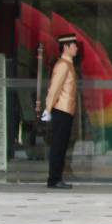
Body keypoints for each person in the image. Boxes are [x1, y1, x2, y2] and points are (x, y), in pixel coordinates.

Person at [37, 33, 80, 189]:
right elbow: (54, 89)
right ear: (66, 47)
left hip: (66, 111)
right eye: (74, 45)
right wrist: (48, 109)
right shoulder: (62, 65)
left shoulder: (68, 64)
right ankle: (54, 179)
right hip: (61, 110)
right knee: (58, 146)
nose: (77, 48)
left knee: (61, 146)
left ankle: (56, 178)